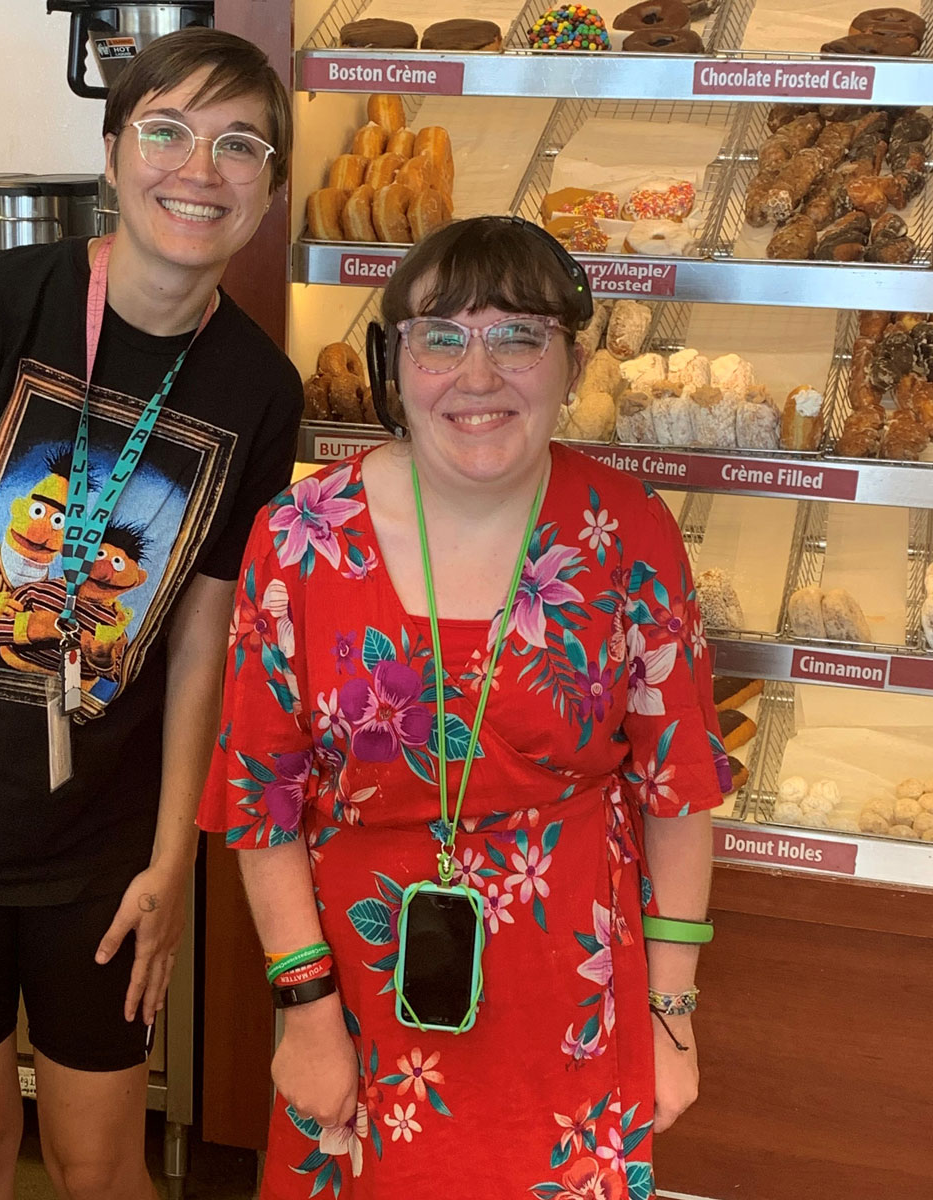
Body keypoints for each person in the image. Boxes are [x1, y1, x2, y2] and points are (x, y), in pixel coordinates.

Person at [0, 28, 301, 1200]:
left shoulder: (258, 387)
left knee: (102, 1168)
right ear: (111, 153)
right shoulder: (0, 304)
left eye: (239, 144)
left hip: (103, 851)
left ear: (269, 189)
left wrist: (170, 863)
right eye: (168, 131)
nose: (201, 168)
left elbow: (200, 637)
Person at [199, 216, 729, 1200]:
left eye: (519, 336)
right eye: (441, 336)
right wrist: (305, 1006)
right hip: (357, 990)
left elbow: (678, 790)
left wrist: (670, 1014)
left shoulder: (629, 533)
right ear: (392, 364)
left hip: (573, 995)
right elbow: (256, 799)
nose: (477, 374)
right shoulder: (301, 538)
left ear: (571, 361)